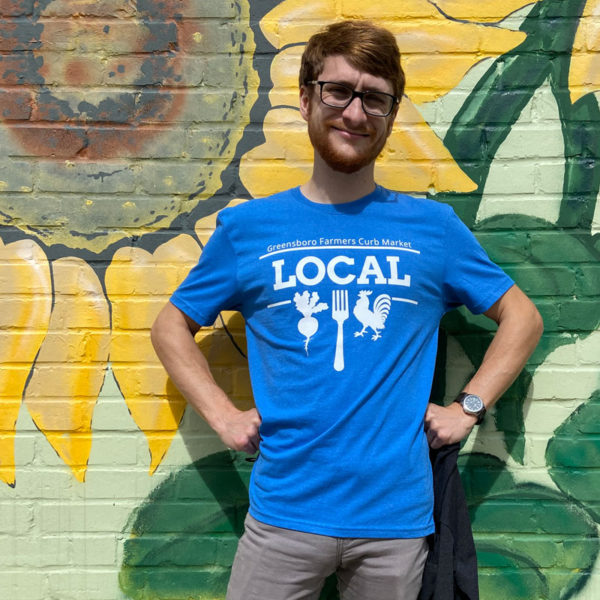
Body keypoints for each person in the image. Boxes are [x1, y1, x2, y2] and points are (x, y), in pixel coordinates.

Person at [151, 20, 543, 600]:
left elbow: (522, 318)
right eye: (338, 91)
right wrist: (224, 416)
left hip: (395, 523)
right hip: (283, 514)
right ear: (307, 97)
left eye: (375, 99)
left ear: (391, 114)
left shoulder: (431, 229)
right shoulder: (250, 228)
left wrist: (468, 407)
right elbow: (170, 326)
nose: (355, 113)